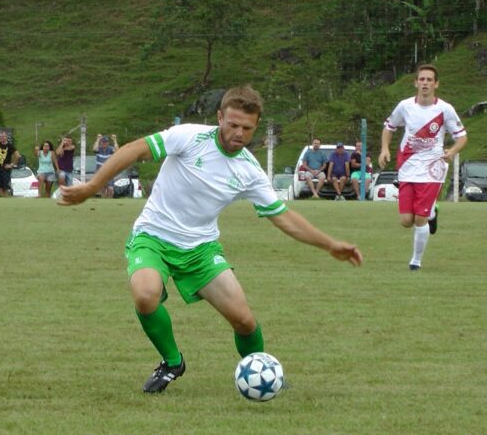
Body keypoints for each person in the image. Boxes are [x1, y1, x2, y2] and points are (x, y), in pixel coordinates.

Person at [58, 85, 362, 394]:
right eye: (232, 124)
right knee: (145, 294)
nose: (238, 133)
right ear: (220, 117)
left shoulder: (249, 171)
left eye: (246, 127)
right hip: (153, 236)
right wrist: (92, 186)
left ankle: (264, 374)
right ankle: (172, 362)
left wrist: (330, 244)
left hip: (201, 250)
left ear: (256, 126)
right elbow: (135, 149)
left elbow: (283, 217)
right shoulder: (189, 137)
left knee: (244, 321)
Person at [379, 63, 468, 271]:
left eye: (429, 80)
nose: (425, 83)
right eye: (422, 79)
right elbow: (389, 127)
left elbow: (462, 137)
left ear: (436, 84)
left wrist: (452, 151)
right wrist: (385, 149)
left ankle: (415, 261)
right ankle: (433, 213)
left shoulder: (445, 109)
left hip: (432, 168)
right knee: (406, 221)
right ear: (416, 83)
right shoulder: (405, 106)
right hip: (407, 166)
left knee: (419, 219)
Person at [0, 131, 19, 197]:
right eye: (0, 136)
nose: (2, 138)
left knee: (4, 187)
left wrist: (11, 165)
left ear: (6, 137)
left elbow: (17, 156)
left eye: (3, 136)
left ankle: (4, 199)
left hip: (5, 169)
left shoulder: (10, 146)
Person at [94, 133, 119, 198]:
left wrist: (114, 140)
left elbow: (117, 150)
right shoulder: (99, 149)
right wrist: (98, 139)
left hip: (109, 171)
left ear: (108, 143)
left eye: (106, 142)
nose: (105, 143)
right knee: (102, 188)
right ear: (101, 142)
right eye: (103, 142)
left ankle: (110, 201)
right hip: (100, 171)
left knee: (110, 188)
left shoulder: (110, 149)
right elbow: (94, 149)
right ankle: (103, 201)